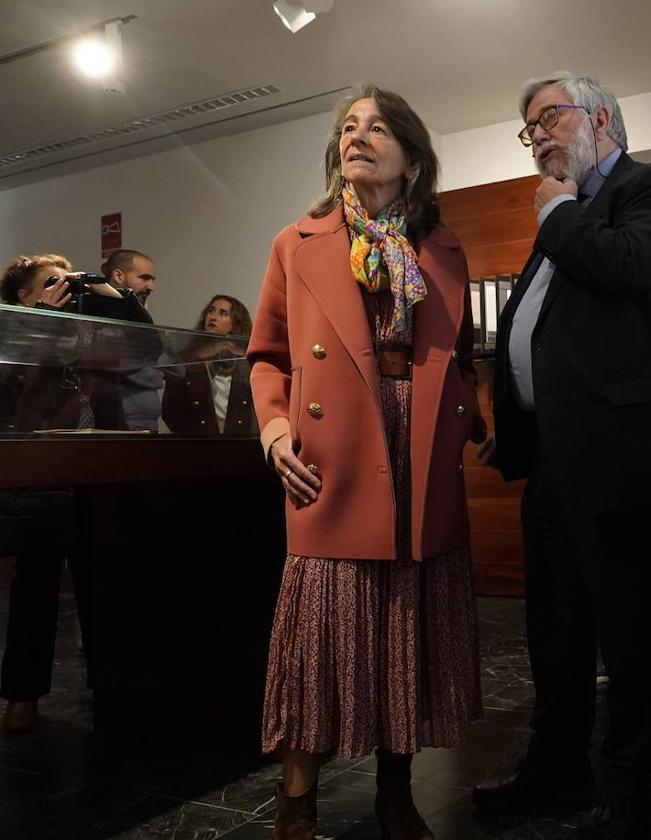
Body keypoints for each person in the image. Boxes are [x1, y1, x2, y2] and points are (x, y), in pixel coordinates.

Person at [474, 72, 651, 839]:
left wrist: (556, 215)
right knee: (555, 634)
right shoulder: (566, 219)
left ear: (603, 117)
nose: (539, 136)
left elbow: (625, 267)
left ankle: (626, 788)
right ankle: (555, 774)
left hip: (626, 460)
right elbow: (546, 331)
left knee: (629, 634)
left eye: (549, 117)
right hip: (553, 462)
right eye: (529, 129)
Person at [248, 83, 486, 840]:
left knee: (404, 627)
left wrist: (466, 421)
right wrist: (277, 432)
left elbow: (462, 358)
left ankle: (395, 791)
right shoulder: (300, 240)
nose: (358, 136)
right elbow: (266, 357)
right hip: (334, 449)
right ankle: (296, 799)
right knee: (320, 627)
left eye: (378, 127)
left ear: (411, 156)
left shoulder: (443, 247)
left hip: (418, 445)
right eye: (349, 127)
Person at [0, 255, 91, 732]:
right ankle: (22, 697)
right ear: (25, 297)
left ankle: (113, 691)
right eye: (53, 282)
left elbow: (147, 348)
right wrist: (43, 330)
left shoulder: (83, 332)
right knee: (35, 586)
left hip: (94, 472)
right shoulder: (12, 335)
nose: (67, 287)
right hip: (36, 474)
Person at [162, 295, 258, 435]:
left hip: (240, 444)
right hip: (198, 445)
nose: (213, 317)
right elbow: (172, 410)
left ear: (236, 321)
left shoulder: (247, 360)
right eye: (211, 311)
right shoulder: (187, 359)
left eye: (223, 313)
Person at [102, 249, 161, 431]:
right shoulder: (101, 316)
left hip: (148, 424)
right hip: (117, 424)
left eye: (152, 279)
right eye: (144, 278)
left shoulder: (146, 317)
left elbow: (177, 368)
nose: (151, 286)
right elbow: (108, 365)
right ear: (118, 275)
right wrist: (154, 372)